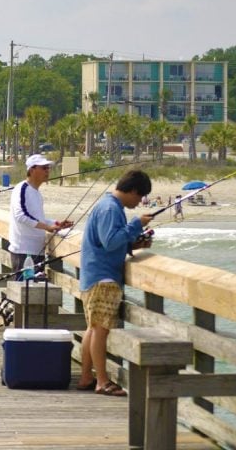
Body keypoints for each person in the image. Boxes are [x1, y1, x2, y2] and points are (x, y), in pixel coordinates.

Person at [75, 170, 153, 397]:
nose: (139, 203)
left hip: (94, 276)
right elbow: (110, 242)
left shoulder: (108, 206)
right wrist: (136, 225)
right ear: (133, 191)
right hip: (104, 279)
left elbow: (108, 241)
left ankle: (86, 377)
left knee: (93, 328)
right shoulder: (110, 209)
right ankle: (101, 381)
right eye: (139, 197)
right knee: (101, 331)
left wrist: (134, 245)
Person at [7, 154, 73, 277]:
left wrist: (56, 224)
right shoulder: (22, 188)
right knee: (24, 293)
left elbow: (36, 218)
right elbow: (20, 216)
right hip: (23, 252)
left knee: (36, 293)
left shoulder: (36, 192)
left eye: (48, 168)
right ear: (32, 170)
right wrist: (47, 228)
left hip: (37, 251)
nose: (47, 171)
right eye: (44, 168)